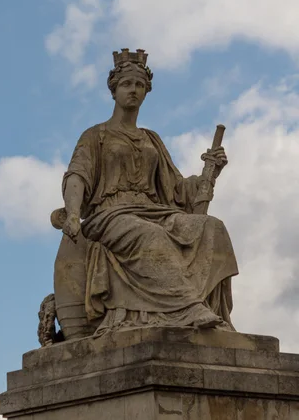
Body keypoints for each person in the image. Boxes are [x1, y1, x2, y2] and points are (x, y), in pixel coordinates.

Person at [61, 49, 238, 336]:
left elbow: (178, 190)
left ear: (146, 92)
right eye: (127, 84)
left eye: (140, 85)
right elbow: (77, 176)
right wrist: (71, 214)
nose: (134, 90)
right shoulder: (95, 136)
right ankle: (187, 308)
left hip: (156, 211)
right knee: (150, 236)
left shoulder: (151, 139)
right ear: (114, 90)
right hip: (111, 215)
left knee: (212, 228)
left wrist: (210, 173)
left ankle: (216, 319)